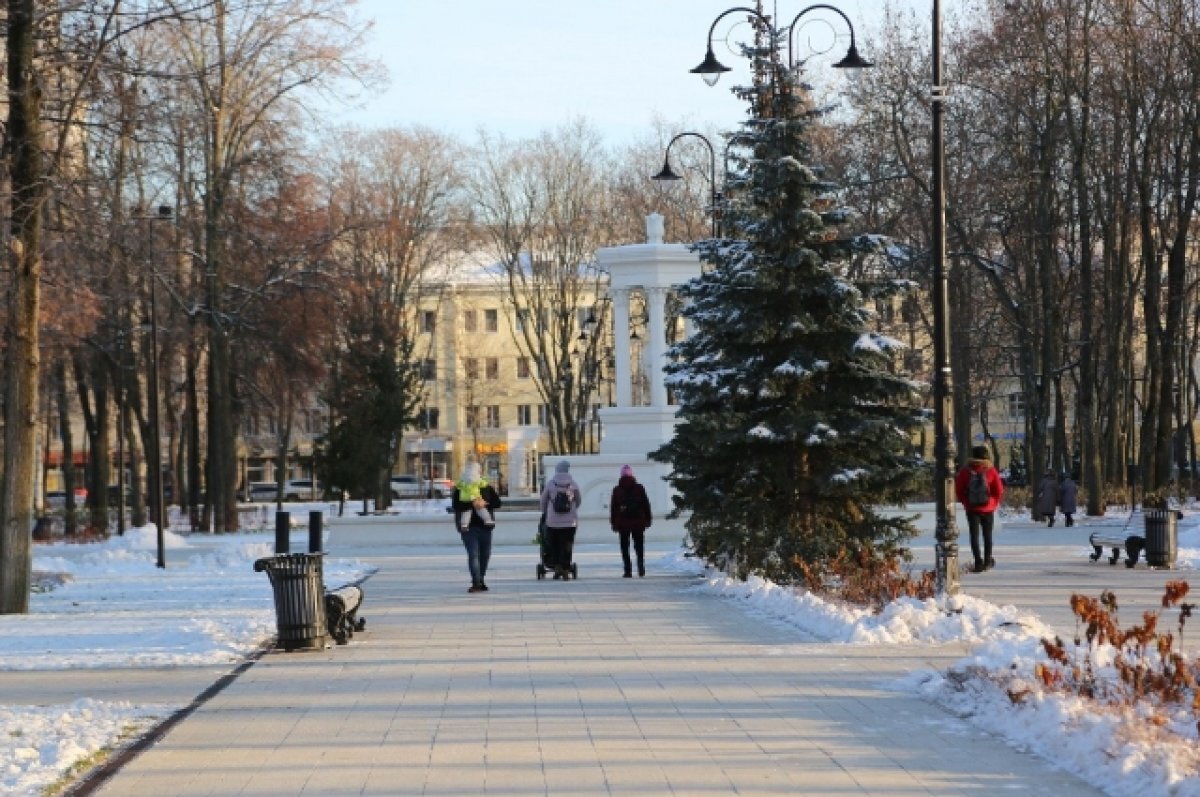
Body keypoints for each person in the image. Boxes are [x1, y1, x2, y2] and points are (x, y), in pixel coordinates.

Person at [451, 463, 501, 593]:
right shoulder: (460, 488)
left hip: (485, 527)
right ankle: (476, 582)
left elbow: (497, 502)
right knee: (473, 554)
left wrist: (485, 503)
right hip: (468, 528)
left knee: (485, 555)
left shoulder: (486, 487)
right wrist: (472, 503)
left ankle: (481, 578)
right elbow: (456, 506)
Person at [954, 445, 1005, 573]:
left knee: (974, 535)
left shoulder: (965, 471)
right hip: (988, 509)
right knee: (987, 535)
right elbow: (999, 490)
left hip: (972, 509)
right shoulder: (991, 470)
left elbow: (959, 490)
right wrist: (993, 503)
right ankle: (988, 561)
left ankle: (978, 562)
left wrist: (966, 503)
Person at [540, 460, 581, 580]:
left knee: (555, 545)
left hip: (552, 522)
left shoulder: (551, 484)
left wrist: (546, 512)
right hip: (570, 522)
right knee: (567, 545)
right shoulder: (573, 484)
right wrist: (572, 509)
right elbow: (578, 500)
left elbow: (543, 501)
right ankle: (566, 568)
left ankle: (557, 566)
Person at [609, 465, 652, 578]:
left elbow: (614, 508)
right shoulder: (639, 488)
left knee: (624, 546)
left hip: (623, 523)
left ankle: (627, 570)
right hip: (638, 522)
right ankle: (641, 567)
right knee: (639, 545)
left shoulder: (617, 489)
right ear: (632, 474)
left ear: (621, 475)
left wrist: (613, 522)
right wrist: (648, 519)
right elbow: (646, 504)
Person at [454, 462, 494, 531]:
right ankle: (487, 520)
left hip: (465, 498)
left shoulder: (463, 478)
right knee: (481, 510)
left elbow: (458, 485)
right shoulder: (476, 478)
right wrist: (486, 479)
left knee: (466, 512)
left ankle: (464, 525)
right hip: (475, 496)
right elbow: (483, 484)